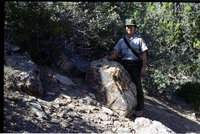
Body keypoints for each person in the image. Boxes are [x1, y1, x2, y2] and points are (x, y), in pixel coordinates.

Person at [104, 18, 148, 116]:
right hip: (124, 66)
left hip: (135, 66)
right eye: (127, 27)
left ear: (134, 28)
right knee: (121, 85)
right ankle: (124, 106)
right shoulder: (121, 41)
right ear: (125, 28)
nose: (129, 28)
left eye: (131, 27)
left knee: (138, 87)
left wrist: (143, 68)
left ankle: (140, 108)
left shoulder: (139, 40)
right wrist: (109, 58)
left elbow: (144, 55)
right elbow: (116, 54)